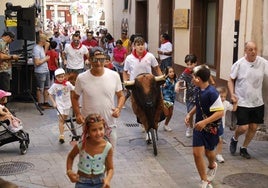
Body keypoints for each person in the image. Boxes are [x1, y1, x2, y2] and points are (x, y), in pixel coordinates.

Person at [71, 47, 125, 147]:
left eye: (101, 59)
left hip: (109, 123)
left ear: (105, 60)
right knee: (90, 156)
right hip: (89, 125)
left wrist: (118, 108)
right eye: (95, 60)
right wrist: (78, 114)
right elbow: (75, 97)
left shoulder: (114, 76)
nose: (99, 63)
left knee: (109, 156)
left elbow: (121, 95)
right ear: (89, 60)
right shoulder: (82, 78)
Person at [185, 65, 224, 188]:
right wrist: (189, 114)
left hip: (211, 128)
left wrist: (205, 122)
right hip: (199, 127)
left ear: (198, 79)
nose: (192, 78)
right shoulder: (197, 89)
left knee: (209, 152)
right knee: (197, 153)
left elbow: (220, 112)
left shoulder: (212, 93)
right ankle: (204, 180)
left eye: (193, 77)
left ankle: (212, 165)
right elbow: (199, 104)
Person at [228, 41, 268, 159]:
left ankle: (244, 148)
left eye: (255, 49)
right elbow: (230, 80)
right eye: (250, 49)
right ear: (245, 51)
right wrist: (232, 94)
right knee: (243, 127)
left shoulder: (263, 63)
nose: (253, 52)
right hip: (242, 101)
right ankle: (234, 138)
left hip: (257, 101)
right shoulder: (239, 64)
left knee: (254, 127)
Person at [123, 36, 162, 136]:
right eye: (138, 45)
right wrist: (125, 81)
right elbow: (125, 71)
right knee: (138, 106)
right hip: (136, 87)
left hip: (149, 86)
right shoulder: (129, 58)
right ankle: (143, 122)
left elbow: (156, 68)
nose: (140, 47)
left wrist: (161, 78)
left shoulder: (150, 56)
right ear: (134, 46)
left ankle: (154, 121)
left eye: (142, 44)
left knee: (154, 104)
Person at [66, 113, 114, 188]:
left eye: (101, 128)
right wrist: (69, 172)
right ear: (87, 131)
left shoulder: (108, 147)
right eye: (94, 130)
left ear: (104, 128)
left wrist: (107, 180)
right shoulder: (81, 145)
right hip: (82, 182)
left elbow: (110, 168)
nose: (98, 133)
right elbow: (71, 157)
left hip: (100, 182)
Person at [48, 68, 75, 144]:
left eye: (62, 76)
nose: (60, 78)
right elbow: (49, 93)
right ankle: (61, 135)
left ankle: (62, 127)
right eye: (58, 77)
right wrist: (53, 102)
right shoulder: (54, 85)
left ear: (64, 76)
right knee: (61, 119)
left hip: (67, 104)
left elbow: (74, 89)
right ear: (56, 77)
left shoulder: (68, 84)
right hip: (59, 104)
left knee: (64, 119)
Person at [175, 54, 198, 138]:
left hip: (199, 96)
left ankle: (199, 128)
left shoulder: (199, 71)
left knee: (199, 113)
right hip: (190, 96)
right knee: (190, 113)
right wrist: (177, 86)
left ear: (195, 63)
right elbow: (179, 80)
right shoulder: (186, 72)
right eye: (187, 64)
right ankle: (190, 127)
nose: (189, 66)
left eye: (191, 64)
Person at [215, 86, 237, 163]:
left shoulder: (226, 103)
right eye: (221, 96)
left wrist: (235, 102)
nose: (223, 98)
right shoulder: (213, 102)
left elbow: (233, 109)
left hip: (221, 126)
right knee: (210, 140)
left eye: (224, 96)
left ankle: (219, 154)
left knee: (220, 140)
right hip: (211, 126)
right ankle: (208, 151)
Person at [32, 33, 52, 110]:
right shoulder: (36, 49)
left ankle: (45, 102)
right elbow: (37, 63)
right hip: (40, 71)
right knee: (40, 88)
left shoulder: (41, 48)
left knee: (46, 87)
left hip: (45, 70)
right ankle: (39, 103)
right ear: (41, 40)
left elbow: (47, 44)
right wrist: (45, 59)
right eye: (45, 39)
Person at [161, 66, 177, 132]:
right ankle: (157, 121)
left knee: (170, 113)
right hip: (166, 99)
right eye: (170, 72)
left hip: (172, 98)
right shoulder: (165, 80)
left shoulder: (175, 80)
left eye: (173, 72)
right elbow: (162, 86)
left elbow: (176, 87)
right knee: (166, 113)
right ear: (167, 73)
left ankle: (166, 125)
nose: (172, 73)